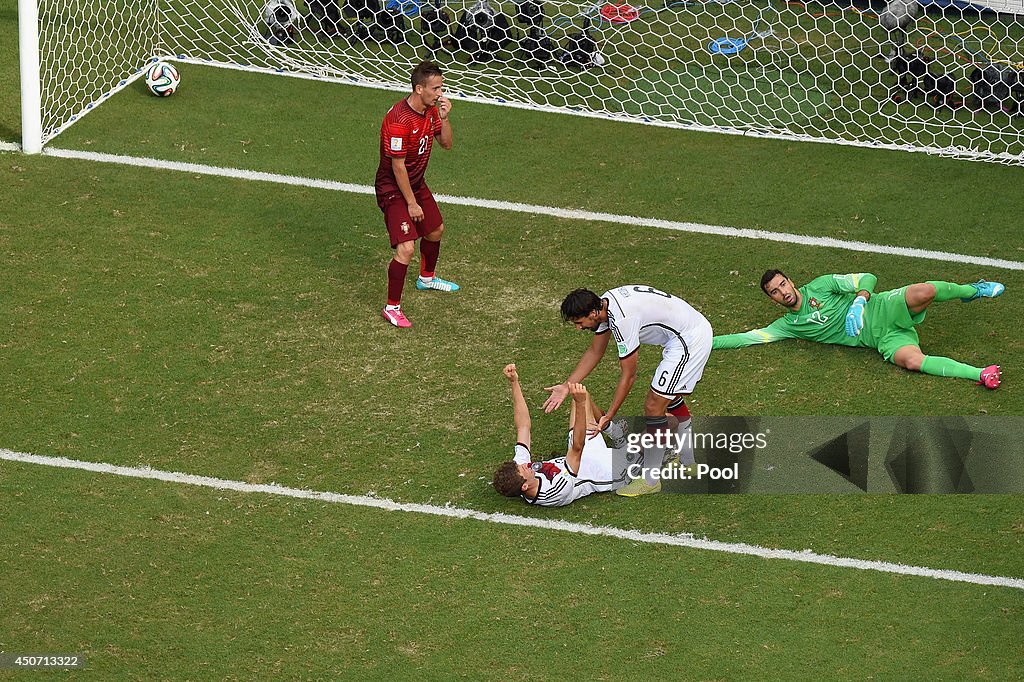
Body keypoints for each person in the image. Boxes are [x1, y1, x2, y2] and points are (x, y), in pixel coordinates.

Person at [543, 285, 714, 497]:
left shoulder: (622, 320)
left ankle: (651, 481)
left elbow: (629, 375)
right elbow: (596, 350)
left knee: (654, 405)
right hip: (682, 335)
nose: (579, 328)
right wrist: (566, 386)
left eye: (579, 322)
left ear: (593, 313)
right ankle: (688, 462)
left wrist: (610, 414)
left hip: (689, 340)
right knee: (668, 398)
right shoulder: (604, 304)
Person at [713, 270, 1004, 388]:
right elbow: (747, 338)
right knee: (913, 361)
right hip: (883, 338)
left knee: (924, 291)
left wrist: (860, 302)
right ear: (772, 299)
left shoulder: (822, 285)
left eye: (782, 284)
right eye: (775, 292)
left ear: (790, 281)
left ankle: (971, 290)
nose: (783, 292)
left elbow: (867, 277)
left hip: (882, 307)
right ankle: (980, 373)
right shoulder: (789, 326)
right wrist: (704, 342)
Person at [375, 61, 459, 329]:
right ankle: (392, 307)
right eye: (436, 88)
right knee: (407, 247)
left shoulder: (432, 111)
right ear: (419, 88)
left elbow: (446, 144)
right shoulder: (398, 119)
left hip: (416, 182)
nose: (440, 93)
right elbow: (397, 166)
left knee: (435, 230)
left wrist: (445, 117)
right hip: (393, 187)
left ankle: (426, 278)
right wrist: (411, 204)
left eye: (441, 87)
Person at [492, 364, 628, 506]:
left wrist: (514, 382)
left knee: (581, 392)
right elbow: (577, 448)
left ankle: (613, 431)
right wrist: (580, 404)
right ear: (525, 487)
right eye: (523, 470)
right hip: (603, 470)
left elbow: (523, 426)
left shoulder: (521, 470)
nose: (525, 465)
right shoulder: (556, 490)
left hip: (583, 453)